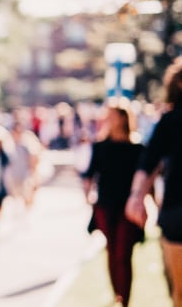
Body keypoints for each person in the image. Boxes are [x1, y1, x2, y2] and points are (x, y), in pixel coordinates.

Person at [126, 57, 182, 307]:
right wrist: (136, 197)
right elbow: (147, 163)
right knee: (179, 288)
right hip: (177, 212)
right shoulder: (170, 121)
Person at [82, 105, 144, 307]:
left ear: (124, 120)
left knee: (123, 252)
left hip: (127, 206)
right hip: (105, 205)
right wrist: (87, 196)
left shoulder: (137, 148)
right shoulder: (100, 146)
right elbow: (90, 174)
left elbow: (144, 178)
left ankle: (125, 298)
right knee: (111, 249)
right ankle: (117, 294)